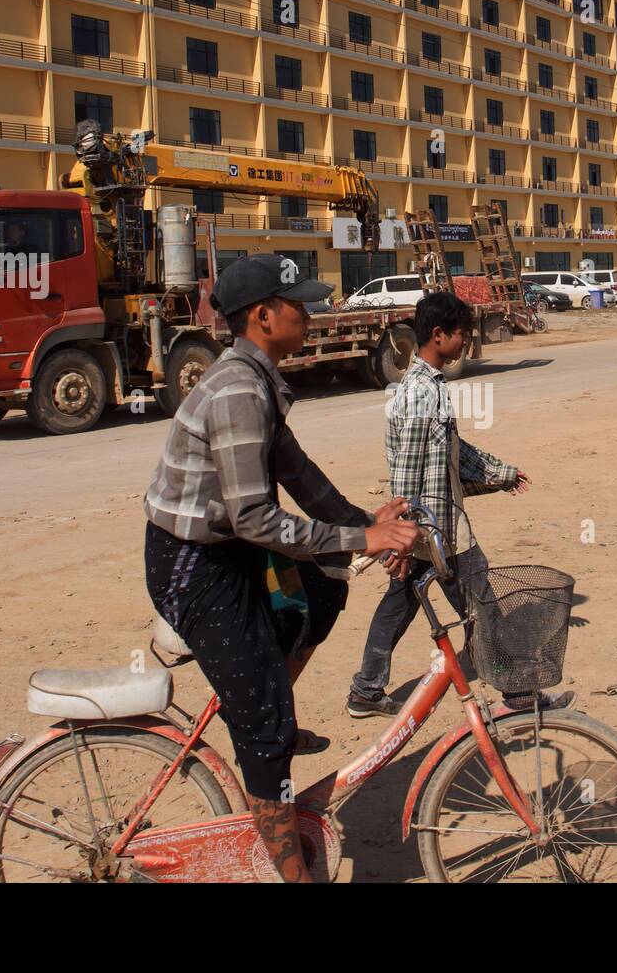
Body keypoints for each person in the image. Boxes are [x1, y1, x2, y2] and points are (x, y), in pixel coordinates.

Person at [143, 253, 418, 883]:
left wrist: (363, 524)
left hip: (225, 545)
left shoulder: (255, 378)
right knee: (264, 720)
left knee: (325, 583)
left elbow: (299, 474)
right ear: (265, 317)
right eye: (301, 306)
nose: (312, 313)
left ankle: (263, 710)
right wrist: (360, 535)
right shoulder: (238, 390)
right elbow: (256, 522)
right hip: (194, 564)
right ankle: (290, 866)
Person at [346, 290, 575, 718]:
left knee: (400, 605)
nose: (466, 342)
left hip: (428, 529)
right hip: (437, 531)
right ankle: (518, 691)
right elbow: (408, 473)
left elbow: (451, 449)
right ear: (438, 335)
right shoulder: (419, 393)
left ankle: (366, 689)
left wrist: (500, 473)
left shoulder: (428, 386)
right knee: (483, 604)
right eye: (462, 334)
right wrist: (402, 538)